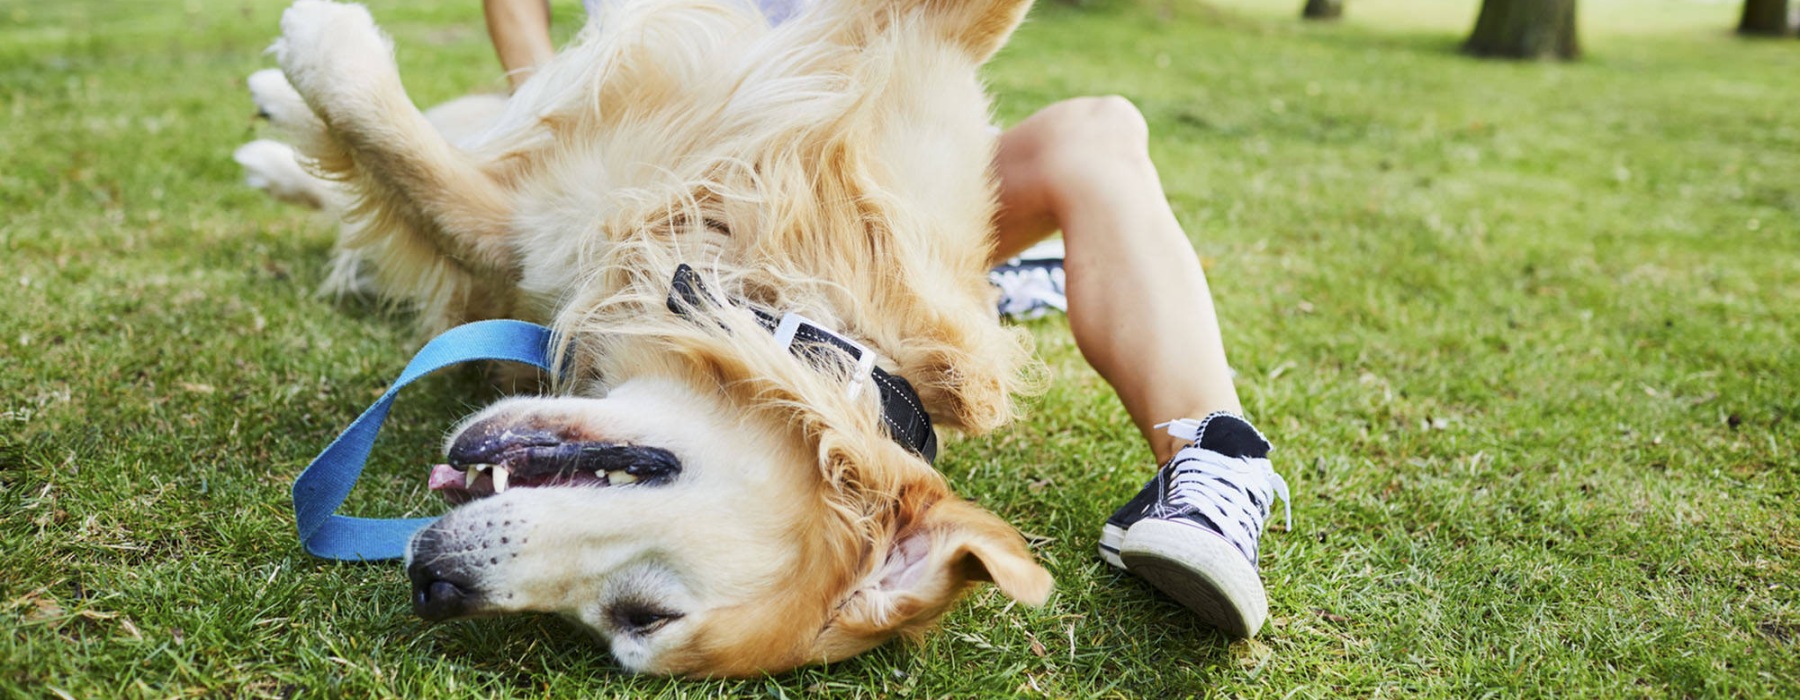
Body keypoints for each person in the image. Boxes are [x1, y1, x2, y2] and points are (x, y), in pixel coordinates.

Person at [482, 0, 1290, 638]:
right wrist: (542, 110)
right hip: (664, 163)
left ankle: (1217, 462)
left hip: (846, 157)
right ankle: (999, 287)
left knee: (1098, 131)